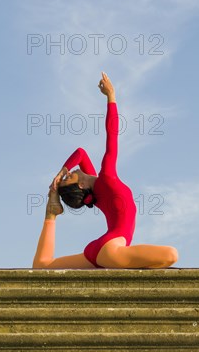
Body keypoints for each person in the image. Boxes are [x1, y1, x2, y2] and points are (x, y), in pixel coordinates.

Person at [32, 72, 179, 269]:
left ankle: (51, 213)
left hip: (99, 250)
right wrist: (111, 96)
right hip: (112, 249)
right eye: (69, 177)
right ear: (81, 184)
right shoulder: (107, 178)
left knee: (44, 266)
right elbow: (112, 134)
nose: (69, 173)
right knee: (171, 254)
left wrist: (61, 172)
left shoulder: (97, 190)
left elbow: (81, 153)